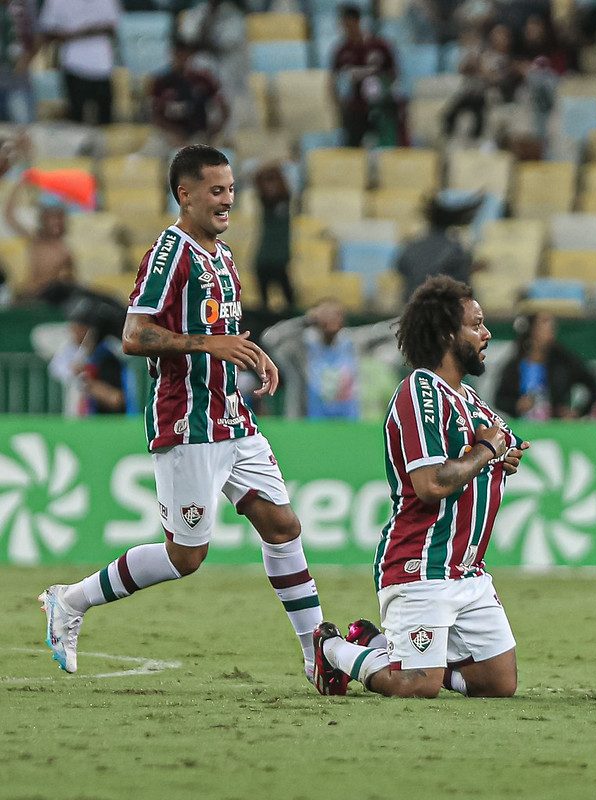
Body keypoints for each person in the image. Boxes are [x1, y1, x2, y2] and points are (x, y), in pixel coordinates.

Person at [38, 145, 324, 685]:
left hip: (233, 419)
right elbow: (134, 335)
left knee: (283, 526)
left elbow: (224, 334)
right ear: (185, 195)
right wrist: (206, 345)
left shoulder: (223, 255)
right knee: (186, 557)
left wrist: (251, 352)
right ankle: (70, 601)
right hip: (187, 423)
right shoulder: (171, 253)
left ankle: (316, 656)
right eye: (216, 191)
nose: (227, 200)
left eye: (231, 190)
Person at [312, 275, 530, 698]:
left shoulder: (468, 398)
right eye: (477, 325)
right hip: (420, 566)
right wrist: (486, 451)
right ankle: (334, 649)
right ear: (448, 334)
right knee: (416, 687)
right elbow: (430, 484)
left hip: (468, 571)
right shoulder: (420, 391)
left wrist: (503, 451)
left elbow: (508, 444)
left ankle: (378, 644)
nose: (486, 334)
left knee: (498, 685)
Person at [261, 299, 399, 421]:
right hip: (307, 424)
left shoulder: (353, 342)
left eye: (337, 314)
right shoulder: (300, 347)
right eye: (325, 313)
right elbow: (269, 338)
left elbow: (389, 331)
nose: (332, 318)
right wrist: (305, 320)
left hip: (349, 425)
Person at [494, 311, 596, 421]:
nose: (551, 328)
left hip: (556, 429)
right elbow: (500, 400)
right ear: (531, 329)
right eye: (544, 324)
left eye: (552, 325)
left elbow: (593, 385)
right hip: (523, 429)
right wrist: (516, 405)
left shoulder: (564, 361)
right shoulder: (514, 366)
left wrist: (578, 412)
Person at [330, 3, 407, 147]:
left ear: (357, 21)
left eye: (348, 24)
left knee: (393, 133)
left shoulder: (380, 46)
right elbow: (332, 81)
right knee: (352, 146)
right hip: (355, 107)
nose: (345, 29)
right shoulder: (342, 50)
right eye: (343, 25)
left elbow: (395, 74)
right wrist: (339, 106)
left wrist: (384, 89)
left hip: (382, 104)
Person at [37, 0, 121, 125]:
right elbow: (47, 31)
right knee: (76, 122)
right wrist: (86, 32)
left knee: (106, 122)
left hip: (102, 68)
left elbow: (113, 28)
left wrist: (75, 34)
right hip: (73, 66)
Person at [395, 191, 484, 303]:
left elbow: (400, 268)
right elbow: (463, 284)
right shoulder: (455, 250)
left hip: (412, 308)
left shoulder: (411, 246)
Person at [4, 172, 75, 299]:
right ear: (43, 220)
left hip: (51, 298)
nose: (55, 223)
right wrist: (19, 185)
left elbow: (70, 281)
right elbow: (9, 215)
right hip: (31, 295)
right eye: (51, 218)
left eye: (59, 218)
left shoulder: (65, 251)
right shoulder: (36, 240)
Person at [150, 39, 231, 148]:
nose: (182, 58)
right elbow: (154, 115)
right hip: (169, 134)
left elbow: (223, 107)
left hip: (198, 134)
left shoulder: (203, 79)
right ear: (172, 54)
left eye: (185, 55)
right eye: (178, 54)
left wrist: (215, 130)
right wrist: (174, 133)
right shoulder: (161, 81)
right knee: (157, 150)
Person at [253, 162, 294, 310]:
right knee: (263, 304)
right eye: (266, 182)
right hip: (263, 259)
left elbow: (283, 193)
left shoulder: (285, 199)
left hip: (280, 259)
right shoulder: (265, 202)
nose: (270, 187)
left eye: (273, 181)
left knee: (290, 300)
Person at [0, 0, 37, 124]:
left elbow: (40, 33)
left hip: (17, 84)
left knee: (23, 135)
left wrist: (27, 58)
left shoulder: (28, 4)